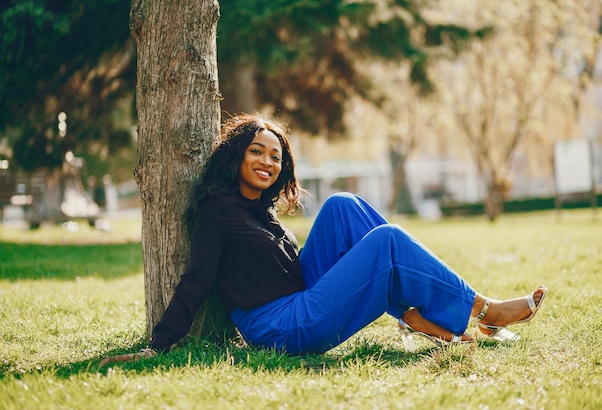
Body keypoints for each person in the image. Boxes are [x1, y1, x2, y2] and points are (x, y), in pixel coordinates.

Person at [99, 113, 547, 366]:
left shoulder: (259, 209)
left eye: (275, 157)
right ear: (236, 155)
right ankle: (485, 312)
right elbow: (196, 280)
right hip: (278, 324)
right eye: (256, 151)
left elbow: (291, 267)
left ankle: (417, 314)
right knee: (386, 242)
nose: (267, 162)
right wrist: (155, 347)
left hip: (299, 296)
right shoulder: (218, 210)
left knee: (342, 206)